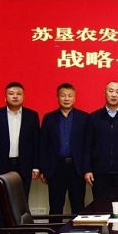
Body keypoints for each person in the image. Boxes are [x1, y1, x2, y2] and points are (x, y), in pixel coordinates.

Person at [0, 82, 40, 222]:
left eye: (19, 94)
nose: (15, 96)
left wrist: (36, 166)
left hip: (23, 165)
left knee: (22, 203)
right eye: (11, 94)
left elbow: (36, 143)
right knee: (1, 204)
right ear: (5, 97)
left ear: (24, 97)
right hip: (1, 165)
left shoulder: (32, 115)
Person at [83, 81, 118, 202]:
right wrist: (87, 169)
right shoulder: (93, 117)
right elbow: (87, 146)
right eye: (111, 91)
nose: (114, 95)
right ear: (104, 93)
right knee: (100, 206)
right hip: (99, 173)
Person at [39, 83, 89, 216]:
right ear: (57, 97)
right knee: (55, 206)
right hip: (56, 168)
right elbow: (43, 145)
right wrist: (43, 169)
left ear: (74, 98)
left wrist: (87, 168)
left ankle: (78, 230)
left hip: (77, 168)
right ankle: (54, 230)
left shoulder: (84, 118)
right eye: (63, 95)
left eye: (70, 96)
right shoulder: (49, 118)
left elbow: (87, 146)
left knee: (78, 205)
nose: (66, 98)